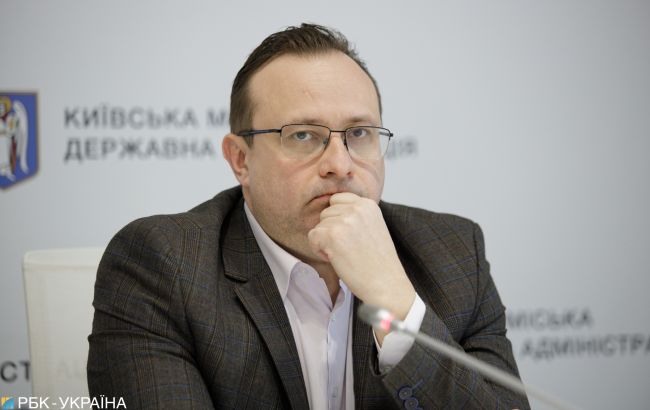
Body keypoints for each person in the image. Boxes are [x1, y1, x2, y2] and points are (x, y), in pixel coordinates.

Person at [88, 23, 530, 410]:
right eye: (303, 135)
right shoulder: (164, 266)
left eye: (359, 133)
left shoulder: (453, 256)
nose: (340, 164)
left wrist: (397, 304)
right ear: (240, 159)